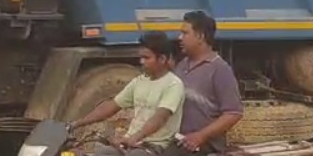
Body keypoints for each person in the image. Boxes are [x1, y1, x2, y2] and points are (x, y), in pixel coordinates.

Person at [69, 31, 186, 155]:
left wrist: (134, 138)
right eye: (141, 57)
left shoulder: (173, 84)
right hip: (131, 144)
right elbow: (112, 105)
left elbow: (160, 118)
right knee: (101, 153)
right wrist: (75, 124)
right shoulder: (140, 81)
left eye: (146, 58)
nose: (141, 62)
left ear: (162, 59)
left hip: (154, 146)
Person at [173, 11, 244, 154]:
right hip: (178, 140)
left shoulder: (219, 69)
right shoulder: (181, 66)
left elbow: (233, 113)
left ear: (200, 37)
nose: (179, 38)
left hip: (204, 146)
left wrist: (200, 136)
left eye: (185, 33)